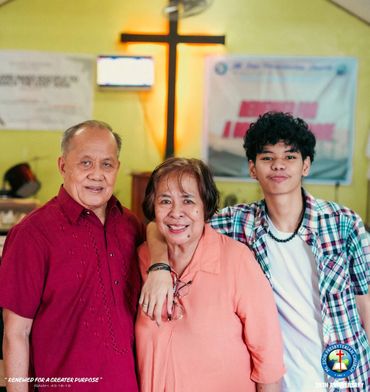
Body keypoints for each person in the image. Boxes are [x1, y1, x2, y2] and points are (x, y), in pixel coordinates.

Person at [140, 112, 370, 391]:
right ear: (252, 168)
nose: (278, 166)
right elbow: (166, 224)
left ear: (306, 165)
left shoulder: (343, 224)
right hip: (282, 377)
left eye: (290, 157)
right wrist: (160, 267)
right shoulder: (237, 223)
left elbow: (364, 302)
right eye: (267, 158)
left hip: (341, 375)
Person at [0, 120, 143, 391]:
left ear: (117, 169)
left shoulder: (131, 226)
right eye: (85, 163)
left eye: (107, 164)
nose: (97, 174)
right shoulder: (31, 234)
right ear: (63, 165)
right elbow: (16, 333)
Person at [135, 157, 285, 392]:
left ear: (205, 205)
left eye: (188, 200)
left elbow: (268, 353)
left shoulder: (236, 259)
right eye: (165, 201)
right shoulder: (142, 258)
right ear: (153, 207)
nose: (176, 213)